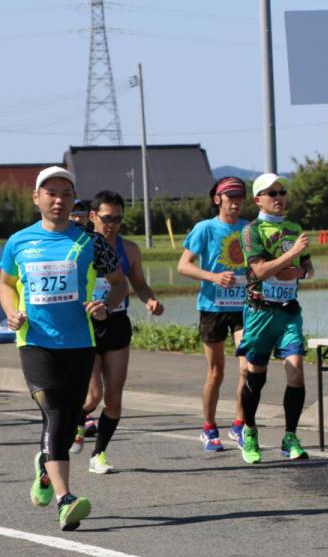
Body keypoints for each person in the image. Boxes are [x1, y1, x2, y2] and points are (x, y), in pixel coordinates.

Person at [1, 167, 128, 531]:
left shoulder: (91, 243)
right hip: (36, 343)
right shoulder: (19, 241)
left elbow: (118, 284)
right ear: (36, 198)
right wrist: (12, 312)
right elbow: (5, 283)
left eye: (66, 194)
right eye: (51, 193)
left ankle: (45, 463)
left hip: (79, 342)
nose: (58, 200)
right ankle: (65, 499)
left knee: (69, 415)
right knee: (56, 414)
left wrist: (104, 305)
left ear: (74, 200)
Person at [70, 191, 164, 475]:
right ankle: (75, 420)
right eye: (107, 218)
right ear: (93, 216)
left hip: (116, 322)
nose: (113, 224)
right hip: (85, 325)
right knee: (92, 396)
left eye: (119, 219)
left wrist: (150, 300)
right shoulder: (78, 245)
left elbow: (138, 284)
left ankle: (98, 454)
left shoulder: (130, 250)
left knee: (114, 398)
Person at [234, 173, 314, 464]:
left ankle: (290, 436)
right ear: (258, 200)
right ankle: (250, 430)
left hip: (289, 311)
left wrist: (300, 271)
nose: (278, 197)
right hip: (259, 312)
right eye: (271, 193)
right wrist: (289, 257)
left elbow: (308, 267)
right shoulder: (252, 231)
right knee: (255, 375)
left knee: (296, 371)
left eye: (281, 191)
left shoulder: (295, 228)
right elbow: (259, 271)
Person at [178, 177, 250, 453]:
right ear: (217, 199)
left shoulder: (249, 229)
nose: (235, 202)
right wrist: (214, 277)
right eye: (230, 196)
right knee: (216, 371)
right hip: (213, 308)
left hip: (244, 308)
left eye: (240, 197)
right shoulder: (205, 229)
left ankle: (240, 424)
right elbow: (183, 265)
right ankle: (208, 428)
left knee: (247, 367)